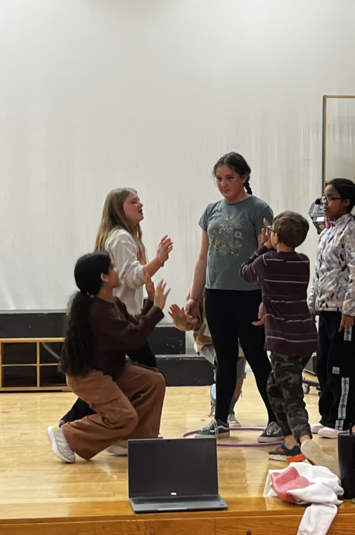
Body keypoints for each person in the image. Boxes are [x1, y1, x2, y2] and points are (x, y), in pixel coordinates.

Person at [186, 152, 281, 440]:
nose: (223, 184)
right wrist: (194, 296)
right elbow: (203, 257)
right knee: (224, 359)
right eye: (218, 178)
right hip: (217, 295)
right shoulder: (211, 211)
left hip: (248, 295)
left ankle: (277, 419)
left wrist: (266, 299)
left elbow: (266, 257)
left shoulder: (258, 209)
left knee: (256, 356)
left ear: (244, 177)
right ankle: (221, 420)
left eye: (229, 178)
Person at [59, 188, 172, 425]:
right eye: (133, 201)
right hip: (119, 320)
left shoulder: (119, 236)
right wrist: (159, 261)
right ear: (119, 209)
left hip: (122, 316)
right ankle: (75, 426)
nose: (140, 204)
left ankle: (86, 422)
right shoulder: (121, 238)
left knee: (114, 371)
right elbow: (131, 276)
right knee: (141, 369)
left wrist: (150, 303)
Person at [47, 252, 168, 463]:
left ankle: (132, 441)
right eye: (112, 267)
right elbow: (133, 337)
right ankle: (67, 433)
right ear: (103, 277)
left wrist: (150, 302)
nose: (116, 270)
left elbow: (132, 327)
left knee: (153, 381)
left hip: (111, 370)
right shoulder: (97, 311)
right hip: (89, 377)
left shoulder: (113, 303)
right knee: (124, 417)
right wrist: (157, 308)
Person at [239, 211, 337, 471]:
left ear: (276, 237)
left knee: (291, 395)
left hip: (283, 342)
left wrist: (263, 246)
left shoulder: (266, 261)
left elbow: (245, 272)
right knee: (274, 388)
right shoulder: (303, 261)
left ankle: (304, 441)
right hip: (305, 337)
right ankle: (290, 443)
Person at [307, 179, 355, 438]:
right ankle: (328, 416)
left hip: (344, 312)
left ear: (346, 202)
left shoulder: (354, 231)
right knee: (323, 365)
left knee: (340, 366)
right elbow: (319, 272)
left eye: (330, 198)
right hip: (326, 308)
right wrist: (312, 304)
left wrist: (350, 310)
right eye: (324, 198)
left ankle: (345, 421)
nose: (325, 203)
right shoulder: (327, 232)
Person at [169, 292, 246, 427]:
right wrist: (181, 319)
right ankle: (226, 412)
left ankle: (217, 395)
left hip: (238, 344)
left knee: (238, 376)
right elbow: (192, 324)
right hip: (208, 341)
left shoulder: (241, 287)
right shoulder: (200, 291)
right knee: (224, 363)